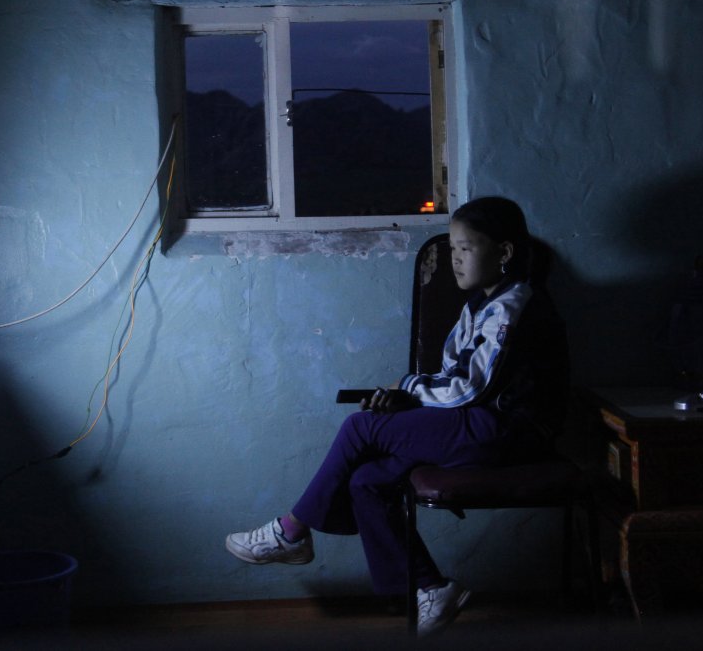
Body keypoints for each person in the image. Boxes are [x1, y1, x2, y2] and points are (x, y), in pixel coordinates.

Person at [224, 196, 570, 637]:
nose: (455, 259)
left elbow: (472, 387)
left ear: (503, 253)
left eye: (467, 248)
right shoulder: (476, 307)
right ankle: (430, 588)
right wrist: (406, 397)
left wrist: (406, 390)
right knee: (365, 481)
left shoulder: (514, 304)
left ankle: (291, 532)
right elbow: (450, 376)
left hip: (511, 433)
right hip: (477, 424)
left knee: (359, 427)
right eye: (452, 248)